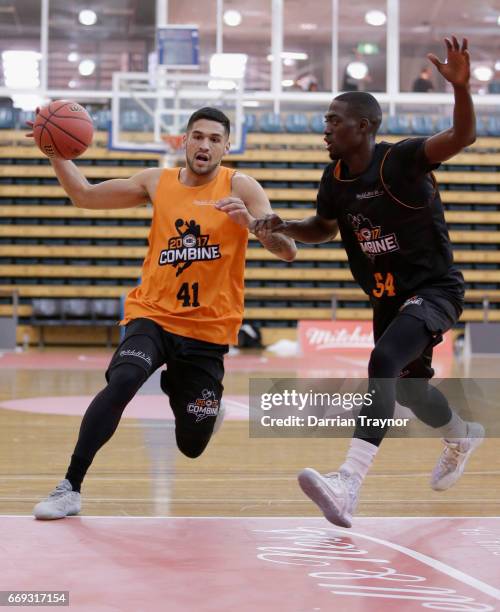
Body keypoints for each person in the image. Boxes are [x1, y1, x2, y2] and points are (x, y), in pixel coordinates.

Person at [254, 36, 484, 528]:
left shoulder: (401, 160)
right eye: (325, 121)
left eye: (334, 121)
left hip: (434, 288)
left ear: (363, 126)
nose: (326, 129)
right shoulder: (334, 178)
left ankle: (348, 483)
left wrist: (461, 89)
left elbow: (462, 137)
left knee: (380, 360)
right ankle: (461, 434)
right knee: (409, 392)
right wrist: (284, 226)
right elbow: (323, 228)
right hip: (387, 299)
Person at [28, 106, 297, 520]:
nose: (204, 144)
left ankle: (188, 393)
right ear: (184, 140)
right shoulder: (157, 181)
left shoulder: (242, 187)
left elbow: (288, 251)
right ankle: (70, 486)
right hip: (152, 313)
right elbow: (83, 195)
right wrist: (54, 152)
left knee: (192, 444)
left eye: (213, 138)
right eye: (197, 136)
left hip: (207, 330)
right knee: (124, 380)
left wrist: (254, 225)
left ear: (226, 146)